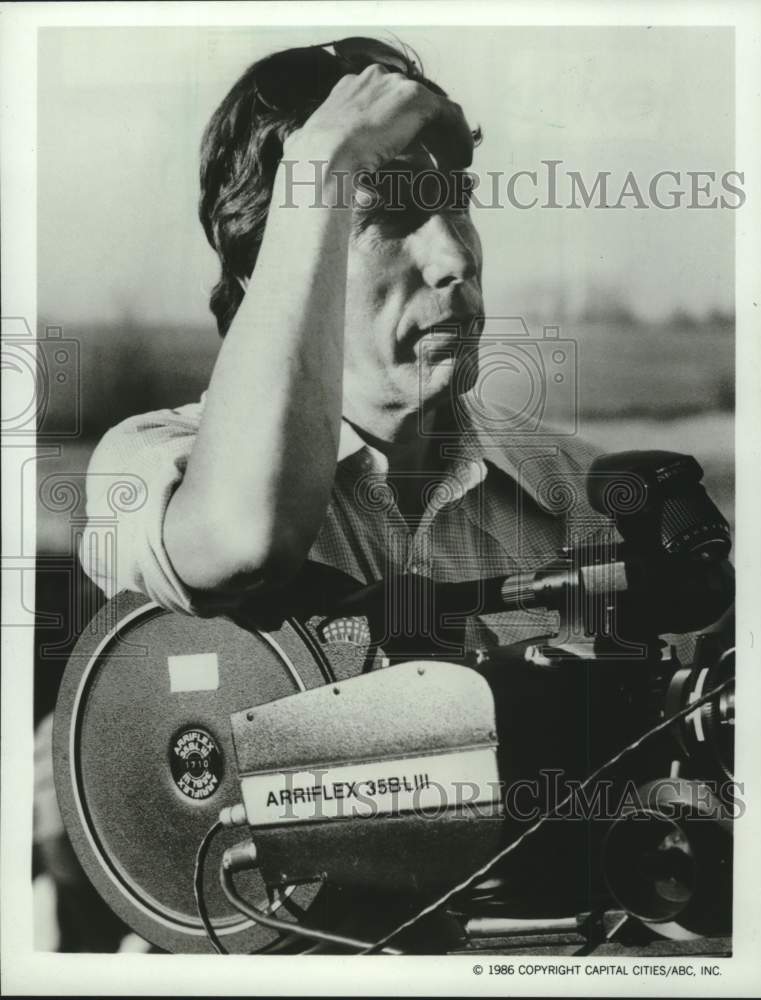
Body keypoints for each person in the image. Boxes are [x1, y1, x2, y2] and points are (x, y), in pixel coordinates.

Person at [40, 36, 609, 953]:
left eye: (456, 202)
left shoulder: (583, 493)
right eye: (388, 212)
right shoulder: (149, 463)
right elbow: (243, 541)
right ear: (273, 261)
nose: (454, 257)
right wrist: (318, 168)